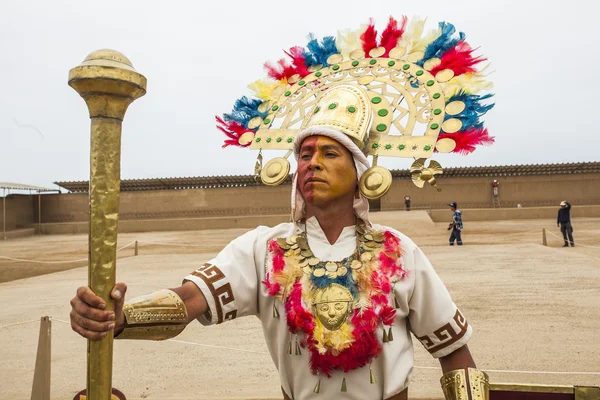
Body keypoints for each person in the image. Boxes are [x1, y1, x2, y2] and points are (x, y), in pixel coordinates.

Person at [70, 16, 494, 400]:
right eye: (305, 154)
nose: (313, 163)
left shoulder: (399, 252)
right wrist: (120, 319)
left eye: (330, 153)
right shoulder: (263, 249)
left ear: (361, 171)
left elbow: (453, 351)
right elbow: (188, 303)